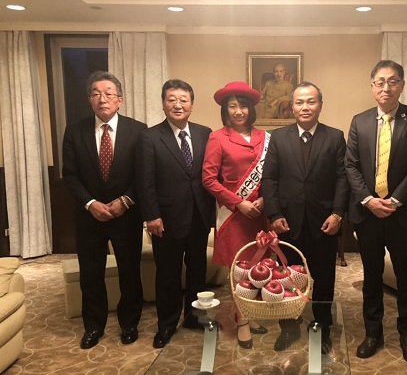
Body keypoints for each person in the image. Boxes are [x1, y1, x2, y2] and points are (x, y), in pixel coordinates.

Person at [345, 60, 407, 363]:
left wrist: (394, 201)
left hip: (403, 214)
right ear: (372, 87)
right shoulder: (360, 121)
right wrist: (368, 200)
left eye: (393, 81)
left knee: (406, 276)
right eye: (380, 82)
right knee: (371, 277)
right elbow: (351, 165)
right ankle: (373, 333)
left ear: (402, 85)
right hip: (368, 213)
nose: (386, 87)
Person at [262, 81, 349, 355]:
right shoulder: (278, 137)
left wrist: (338, 213)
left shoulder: (335, 137)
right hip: (288, 222)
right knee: (288, 278)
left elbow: (343, 178)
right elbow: (270, 178)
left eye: (311, 101)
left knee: (324, 278)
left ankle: (322, 328)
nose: (305, 107)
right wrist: (274, 213)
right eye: (299, 102)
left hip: (324, 222)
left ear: (320, 105)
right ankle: (289, 326)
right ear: (292, 106)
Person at [62, 71, 146, 349]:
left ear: (120, 99)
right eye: (96, 94)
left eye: (109, 93)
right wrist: (90, 204)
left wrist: (126, 200)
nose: (103, 99)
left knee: (129, 272)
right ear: (89, 100)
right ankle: (93, 326)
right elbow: (70, 175)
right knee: (91, 273)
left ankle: (129, 323)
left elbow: (143, 174)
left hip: (126, 215)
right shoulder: (74, 131)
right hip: (89, 216)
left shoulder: (138, 130)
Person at [136, 79, 215, 349]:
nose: (178, 105)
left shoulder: (205, 133)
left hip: (199, 216)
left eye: (183, 100)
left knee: (197, 270)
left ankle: (195, 317)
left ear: (192, 104)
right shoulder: (149, 137)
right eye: (172, 99)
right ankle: (167, 324)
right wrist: (152, 215)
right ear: (163, 103)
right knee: (168, 275)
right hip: (166, 219)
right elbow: (145, 181)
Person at [202, 81, 270, 349]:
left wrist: (265, 199)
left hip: (260, 214)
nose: (239, 111)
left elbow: (273, 176)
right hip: (234, 215)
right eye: (232, 106)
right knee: (239, 270)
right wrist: (238, 202)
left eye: (243, 106)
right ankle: (242, 321)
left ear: (251, 109)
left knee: (258, 268)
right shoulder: (217, 138)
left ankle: (250, 314)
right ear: (225, 110)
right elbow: (209, 179)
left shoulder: (265, 137)